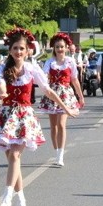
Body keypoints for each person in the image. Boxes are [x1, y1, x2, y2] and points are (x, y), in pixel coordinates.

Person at [0, 27, 79, 206]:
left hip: (24, 117)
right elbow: (0, 84)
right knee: (13, 160)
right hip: (6, 116)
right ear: (10, 50)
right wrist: (2, 92)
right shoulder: (2, 69)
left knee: (15, 156)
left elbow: (48, 90)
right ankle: (21, 199)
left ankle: (7, 194)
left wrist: (66, 107)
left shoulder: (31, 68)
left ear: (28, 50)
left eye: (22, 48)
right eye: (15, 48)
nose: (18, 52)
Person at [38, 32, 84, 166]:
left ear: (66, 48)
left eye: (62, 47)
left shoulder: (70, 61)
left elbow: (75, 80)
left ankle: (60, 155)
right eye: (57, 47)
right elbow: (44, 76)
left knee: (62, 124)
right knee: (53, 126)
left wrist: (80, 96)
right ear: (54, 48)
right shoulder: (49, 62)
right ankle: (56, 150)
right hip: (52, 94)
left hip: (65, 95)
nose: (60, 49)